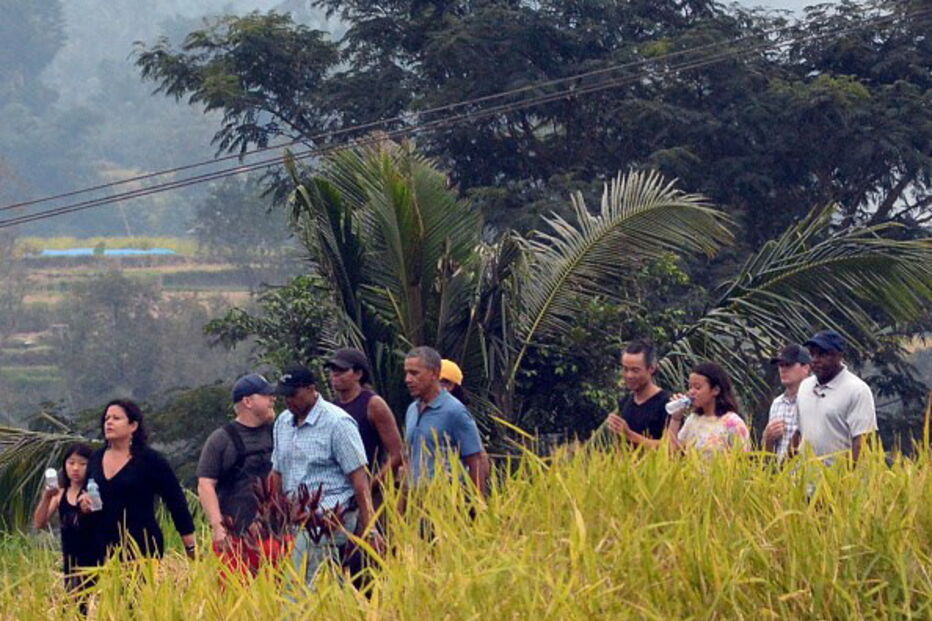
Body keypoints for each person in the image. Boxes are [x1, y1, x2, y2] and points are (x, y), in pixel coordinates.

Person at [270, 364, 377, 583]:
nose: (288, 401)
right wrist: (272, 514)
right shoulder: (283, 422)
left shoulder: (337, 422)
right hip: (294, 519)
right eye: (284, 396)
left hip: (330, 519)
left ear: (311, 389)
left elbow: (359, 479)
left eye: (293, 394)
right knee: (322, 584)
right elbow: (277, 472)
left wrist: (370, 528)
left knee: (300, 587)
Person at [84, 399, 196, 562]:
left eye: (116, 418)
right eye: (107, 418)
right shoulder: (95, 458)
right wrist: (84, 503)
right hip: (102, 547)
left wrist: (190, 547)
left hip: (142, 548)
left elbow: (176, 502)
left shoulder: (150, 460)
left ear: (133, 426)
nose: (109, 423)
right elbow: (85, 492)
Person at [196, 373, 276, 568]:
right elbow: (205, 484)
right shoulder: (221, 439)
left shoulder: (278, 431)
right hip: (235, 537)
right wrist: (218, 527)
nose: (272, 399)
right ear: (248, 401)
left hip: (276, 534)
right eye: (265, 395)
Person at [404, 346, 486, 494]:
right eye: (407, 373)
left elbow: (476, 460)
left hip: (445, 502)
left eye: (414, 373)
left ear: (434, 373)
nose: (408, 379)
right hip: (415, 503)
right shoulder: (412, 410)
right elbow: (409, 461)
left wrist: (478, 507)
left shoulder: (455, 412)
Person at [326, 348, 404, 500]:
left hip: (373, 491)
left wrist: (370, 485)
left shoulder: (373, 404)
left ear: (358, 374)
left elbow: (397, 453)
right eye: (333, 370)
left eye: (341, 370)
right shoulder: (332, 407)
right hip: (341, 493)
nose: (335, 375)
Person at [797, 329, 877, 464]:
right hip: (803, 479)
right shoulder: (804, 386)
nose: (815, 360)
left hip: (836, 480)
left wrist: (845, 480)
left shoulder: (857, 390)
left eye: (823, 354)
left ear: (839, 356)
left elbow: (862, 442)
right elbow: (798, 434)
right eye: (812, 354)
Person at [33, 443, 97, 597]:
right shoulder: (60, 494)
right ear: (65, 465)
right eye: (71, 463)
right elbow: (39, 523)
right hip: (70, 559)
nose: (75, 468)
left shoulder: (95, 491)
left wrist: (91, 506)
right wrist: (46, 497)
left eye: (82, 464)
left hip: (95, 559)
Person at [670, 361, 750, 457]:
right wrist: (675, 419)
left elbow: (744, 459)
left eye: (697, 387)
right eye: (690, 387)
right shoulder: (693, 419)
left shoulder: (732, 423)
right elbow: (672, 453)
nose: (691, 392)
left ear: (715, 390)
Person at [604, 341, 672, 446]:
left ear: (651, 369)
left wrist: (630, 435)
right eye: (625, 369)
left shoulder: (668, 403)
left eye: (635, 370)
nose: (629, 375)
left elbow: (672, 446)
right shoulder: (625, 401)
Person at [762, 345, 811, 462]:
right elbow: (769, 455)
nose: (783, 369)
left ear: (806, 368)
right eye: (780, 365)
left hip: (810, 476)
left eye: (788, 364)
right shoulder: (777, 403)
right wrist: (768, 439)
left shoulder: (816, 400)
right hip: (781, 477)